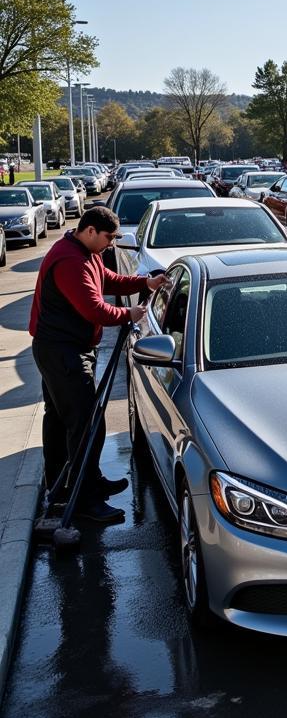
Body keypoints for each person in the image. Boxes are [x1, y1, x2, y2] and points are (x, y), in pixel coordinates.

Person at [29, 206, 168, 524]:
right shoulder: (69, 260)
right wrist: (128, 315)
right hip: (62, 352)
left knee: (61, 421)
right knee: (87, 423)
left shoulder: (84, 252)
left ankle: (67, 487)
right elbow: (94, 309)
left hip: (62, 348)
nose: (110, 245)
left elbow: (108, 280)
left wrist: (145, 283)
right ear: (90, 230)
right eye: (107, 238)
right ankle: (85, 500)